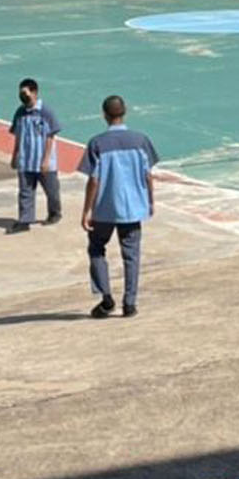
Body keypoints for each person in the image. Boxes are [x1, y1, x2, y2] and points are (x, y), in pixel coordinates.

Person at [79, 95, 159, 319]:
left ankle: (106, 298)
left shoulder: (97, 143)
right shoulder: (140, 140)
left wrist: (87, 210)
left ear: (104, 114)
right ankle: (130, 302)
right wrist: (150, 201)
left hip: (104, 209)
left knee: (96, 249)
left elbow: (93, 180)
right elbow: (148, 175)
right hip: (133, 208)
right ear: (125, 112)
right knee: (131, 255)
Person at [7, 79, 64, 232]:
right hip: (26, 160)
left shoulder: (46, 112)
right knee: (25, 192)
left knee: (52, 191)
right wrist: (15, 155)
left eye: (25, 92)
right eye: (20, 93)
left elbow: (50, 136)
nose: (22, 96)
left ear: (34, 92)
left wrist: (46, 160)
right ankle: (25, 220)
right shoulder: (20, 113)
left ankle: (55, 213)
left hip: (43, 161)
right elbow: (17, 135)